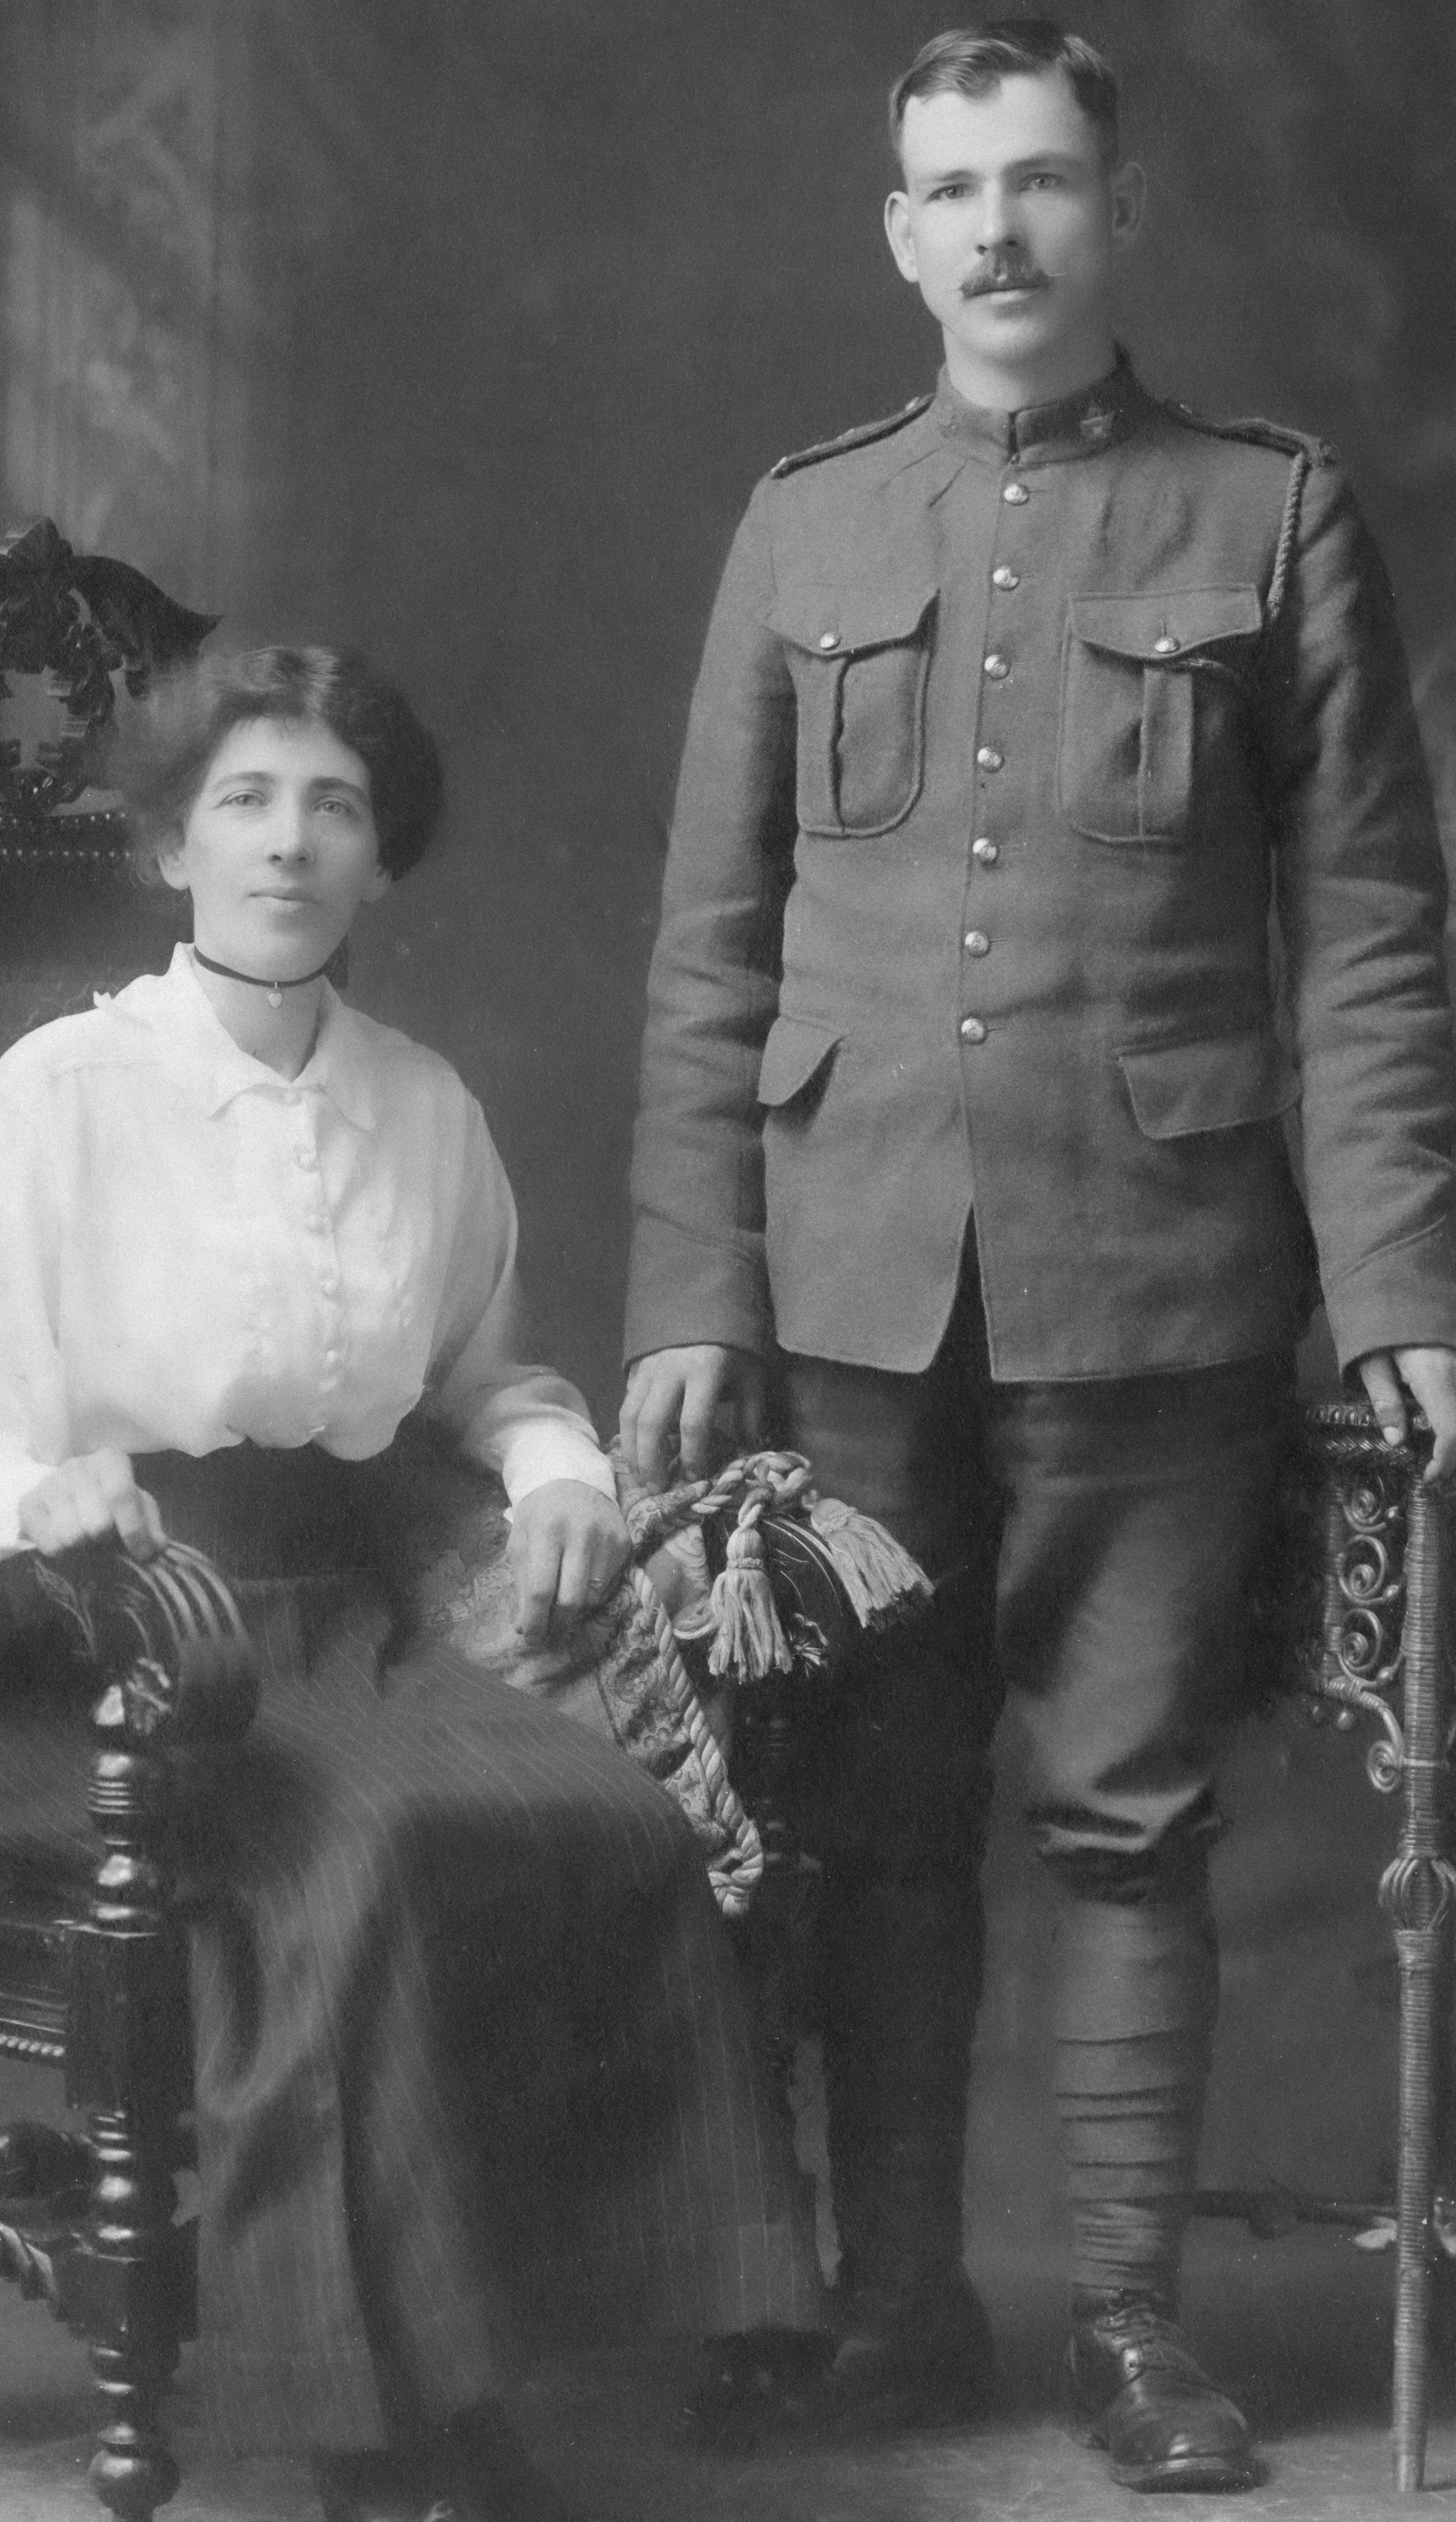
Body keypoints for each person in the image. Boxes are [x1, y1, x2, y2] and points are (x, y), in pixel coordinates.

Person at [620, 17, 1456, 2496]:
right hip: (852, 1276)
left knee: (1122, 1810)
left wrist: (1399, 1286)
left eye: (1043, 181)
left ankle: (1118, 2327)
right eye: (950, 189)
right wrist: (692, 1285)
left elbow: (1373, 941)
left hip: (1163, 1264)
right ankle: (895, 2313)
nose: (996, 227)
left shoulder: (1269, 514)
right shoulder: (802, 524)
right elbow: (706, 940)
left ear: (1120, 213)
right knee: (877, 1819)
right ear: (896, 235)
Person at [0, 646, 822, 2522]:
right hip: (91, 1639)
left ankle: (485, 2353)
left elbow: (491, 1376)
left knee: (613, 1815)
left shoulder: (420, 1107)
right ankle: (377, 2418)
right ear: (168, 845)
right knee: (366, 1864)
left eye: (334, 805)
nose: (290, 842)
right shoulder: (60, 1092)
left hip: (344, 1607)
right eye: (243, 799)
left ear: (379, 859)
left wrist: (560, 1473)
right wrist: (59, 1490)